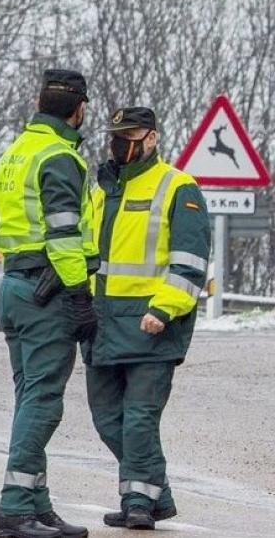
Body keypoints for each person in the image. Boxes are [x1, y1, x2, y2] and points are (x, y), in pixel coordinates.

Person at [85, 107, 210, 530]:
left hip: (152, 325)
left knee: (139, 419)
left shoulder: (178, 187)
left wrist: (163, 308)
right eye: (116, 135)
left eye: (130, 135)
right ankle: (159, 493)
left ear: (152, 138)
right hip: (101, 324)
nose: (120, 143)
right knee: (107, 419)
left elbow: (190, 262)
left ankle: (138, 501)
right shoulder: (101, 189)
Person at [0, 69, 98, 538]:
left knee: (29, 399)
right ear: (79, 109)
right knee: (43, 403)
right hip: (46, 291)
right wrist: (78, 295)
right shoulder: (60, 157)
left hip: (16, 287)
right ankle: (15, 510)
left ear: (39, 101)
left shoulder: (16, 152)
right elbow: (64, 234)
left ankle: (37, 504)